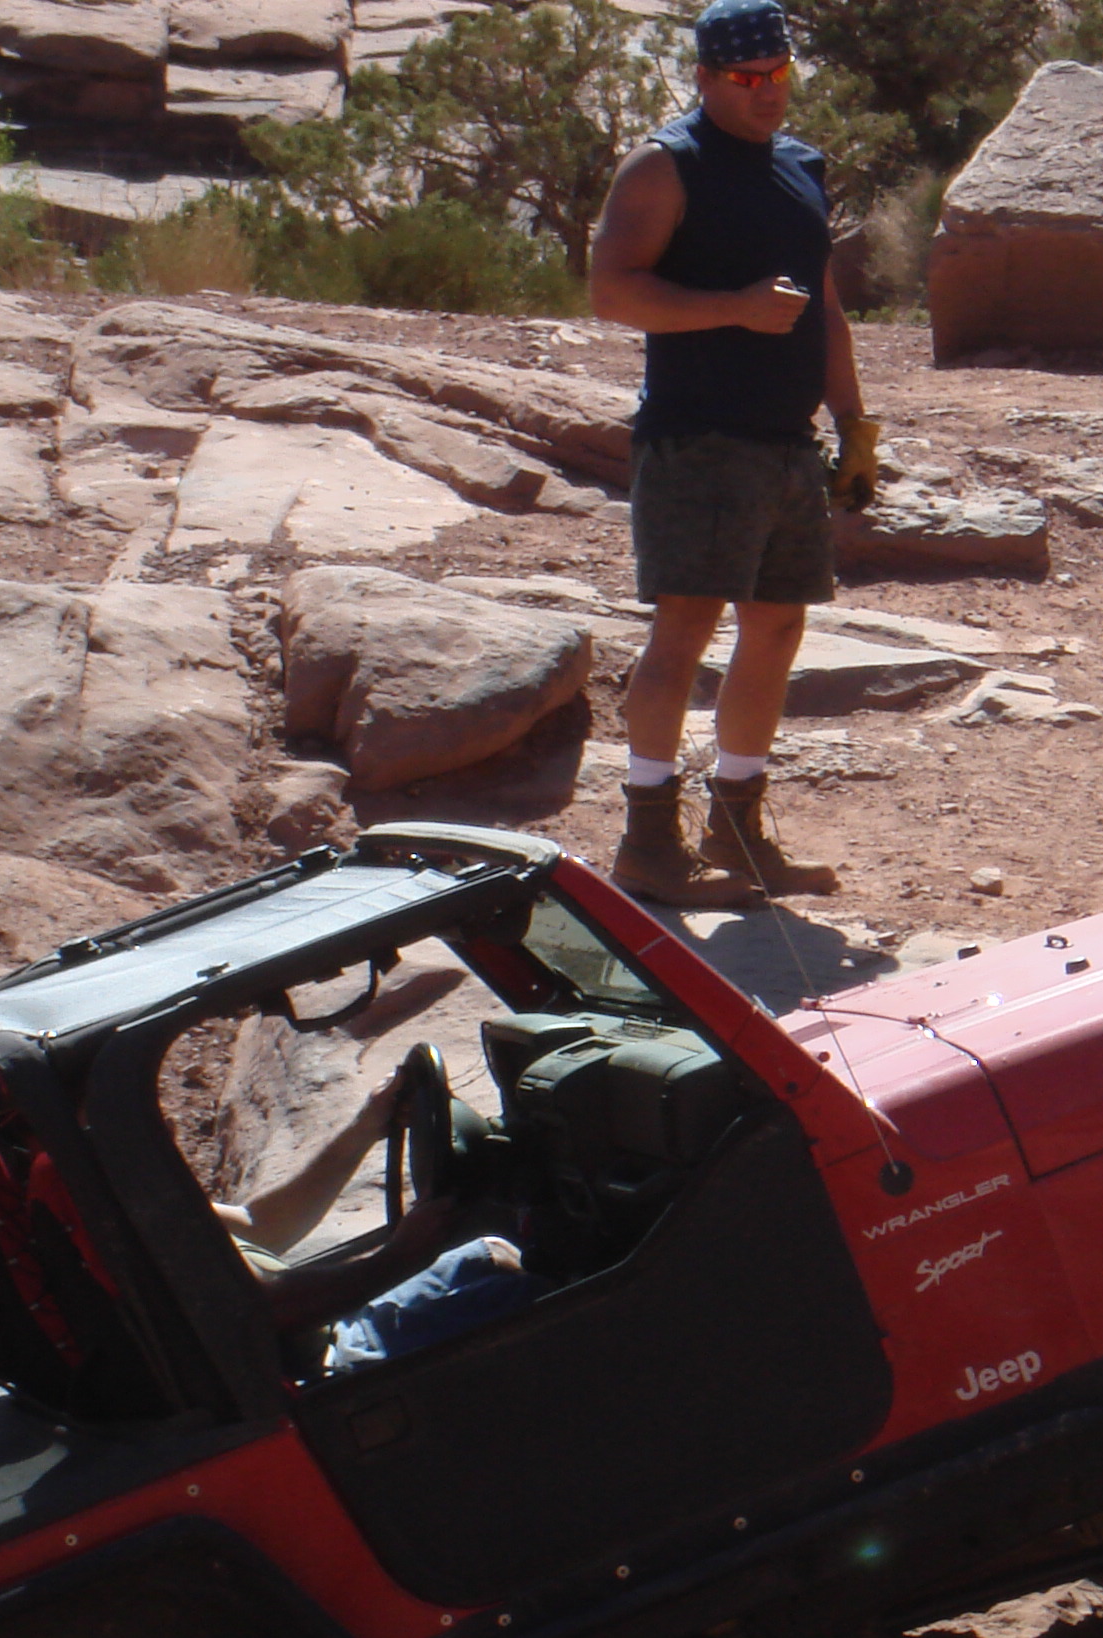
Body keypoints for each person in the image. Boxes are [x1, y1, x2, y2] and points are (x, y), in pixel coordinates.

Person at [586, 0, 881, 910]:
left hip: (785, 440)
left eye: (778, 73)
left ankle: (737, 828)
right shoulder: (667, 164)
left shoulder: (799, 166)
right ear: (706, 78)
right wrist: (734, 309)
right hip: (698, 435)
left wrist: (854, 423)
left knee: (779, 628)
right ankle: (647, 841)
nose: (767, 92)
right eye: (747, 79)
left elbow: (825, 306)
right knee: (685, 628)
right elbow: (611, 291)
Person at [211, 1066, 531, 1369]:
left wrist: (366, 1126)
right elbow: (271, 1310)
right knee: (539, 1297)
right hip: (326, 1370)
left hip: (331, 1327)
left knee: (494, 1253)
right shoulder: (175, 1255)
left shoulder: (182, 1219)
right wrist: (401, 1256)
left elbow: (257, 1224)